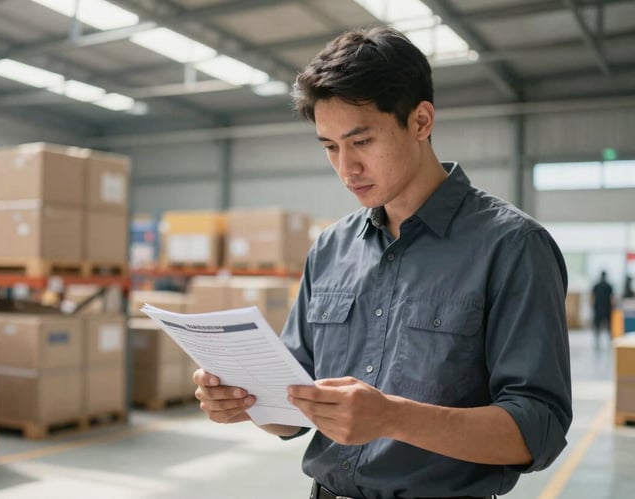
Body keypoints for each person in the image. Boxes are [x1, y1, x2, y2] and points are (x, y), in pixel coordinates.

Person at [193, 26, 572, 499]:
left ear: (420, 121)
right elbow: (292, 414)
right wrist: (244, 401)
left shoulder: (513, 247)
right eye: (330, 146)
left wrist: (393, 418)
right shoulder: (331, 248)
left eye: (362, 141)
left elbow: (539, 428)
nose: (346, 168)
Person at [592, 270, 614, 344]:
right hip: (607, 308)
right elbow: (612, 298)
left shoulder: (596, 285)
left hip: (598, 308)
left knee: (597, 326)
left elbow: (593, 297)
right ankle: (609, 339)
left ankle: (597, 340)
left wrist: (592, 306)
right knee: (608, 325)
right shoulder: (609, 286)